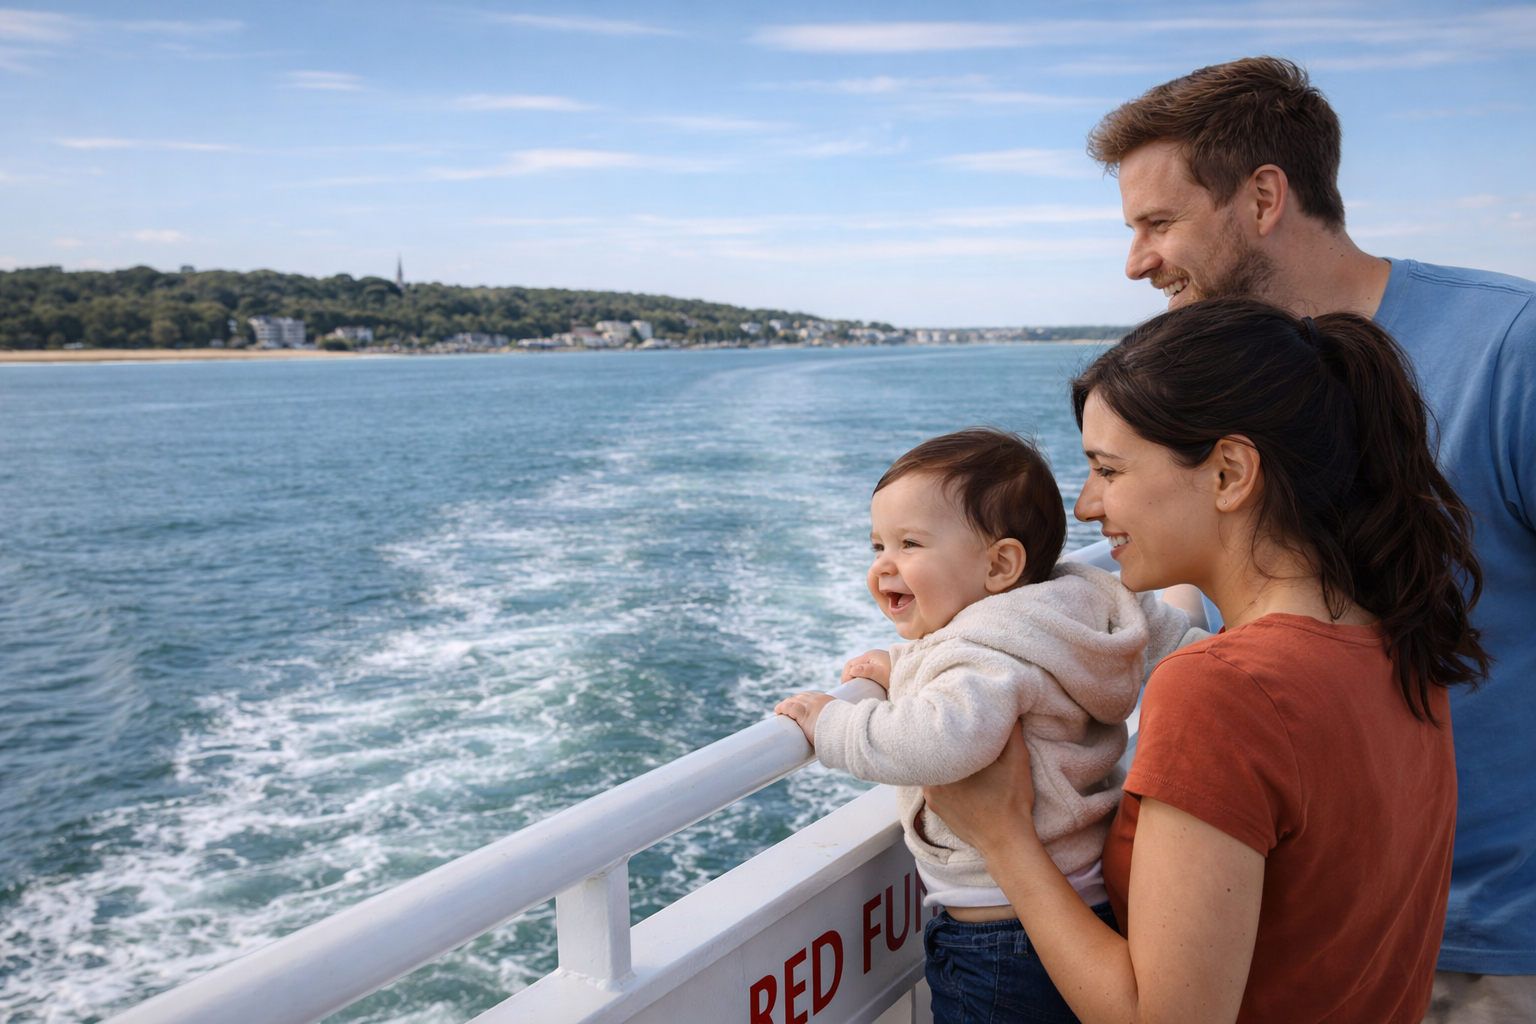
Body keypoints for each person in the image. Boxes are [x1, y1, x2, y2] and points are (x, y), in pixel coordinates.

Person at [1084, 57, 1536, 1020]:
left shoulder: (1513, 348)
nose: (1136, 262)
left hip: (1495, 945)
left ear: (1262, 197)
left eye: (1158, 223)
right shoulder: (1246, 388)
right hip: (1304, 916)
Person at [926, 298, 1490, 1022]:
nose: (1089, 503)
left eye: (1109, 469)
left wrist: (1004, 841)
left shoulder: (1224, 690)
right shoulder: (1401, 636)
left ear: (1229, 472)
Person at [774, 428, 1205, 1024]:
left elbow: (944, 738)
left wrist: (833, 727)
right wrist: (903, 667)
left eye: (909, 544)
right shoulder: (1082, 598)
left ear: (1002, 564)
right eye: (877, 546)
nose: (884, 567)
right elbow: (1184, 647)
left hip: (999, 934)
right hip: (1087, 899)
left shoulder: (982, 654)